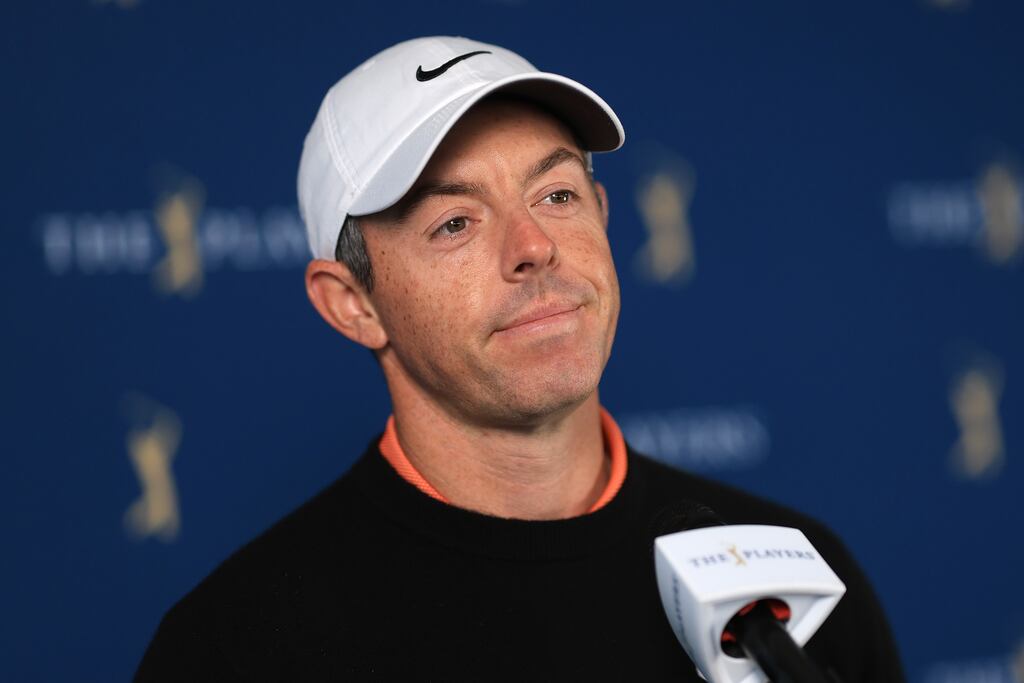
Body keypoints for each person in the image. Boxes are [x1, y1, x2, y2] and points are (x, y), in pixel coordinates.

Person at [134, 36, 904, 681]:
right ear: (353, 303)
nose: (534, 246)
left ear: (603, 218)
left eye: (557, 195)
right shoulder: (234, 647)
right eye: (456, 223)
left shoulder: (792, 586)